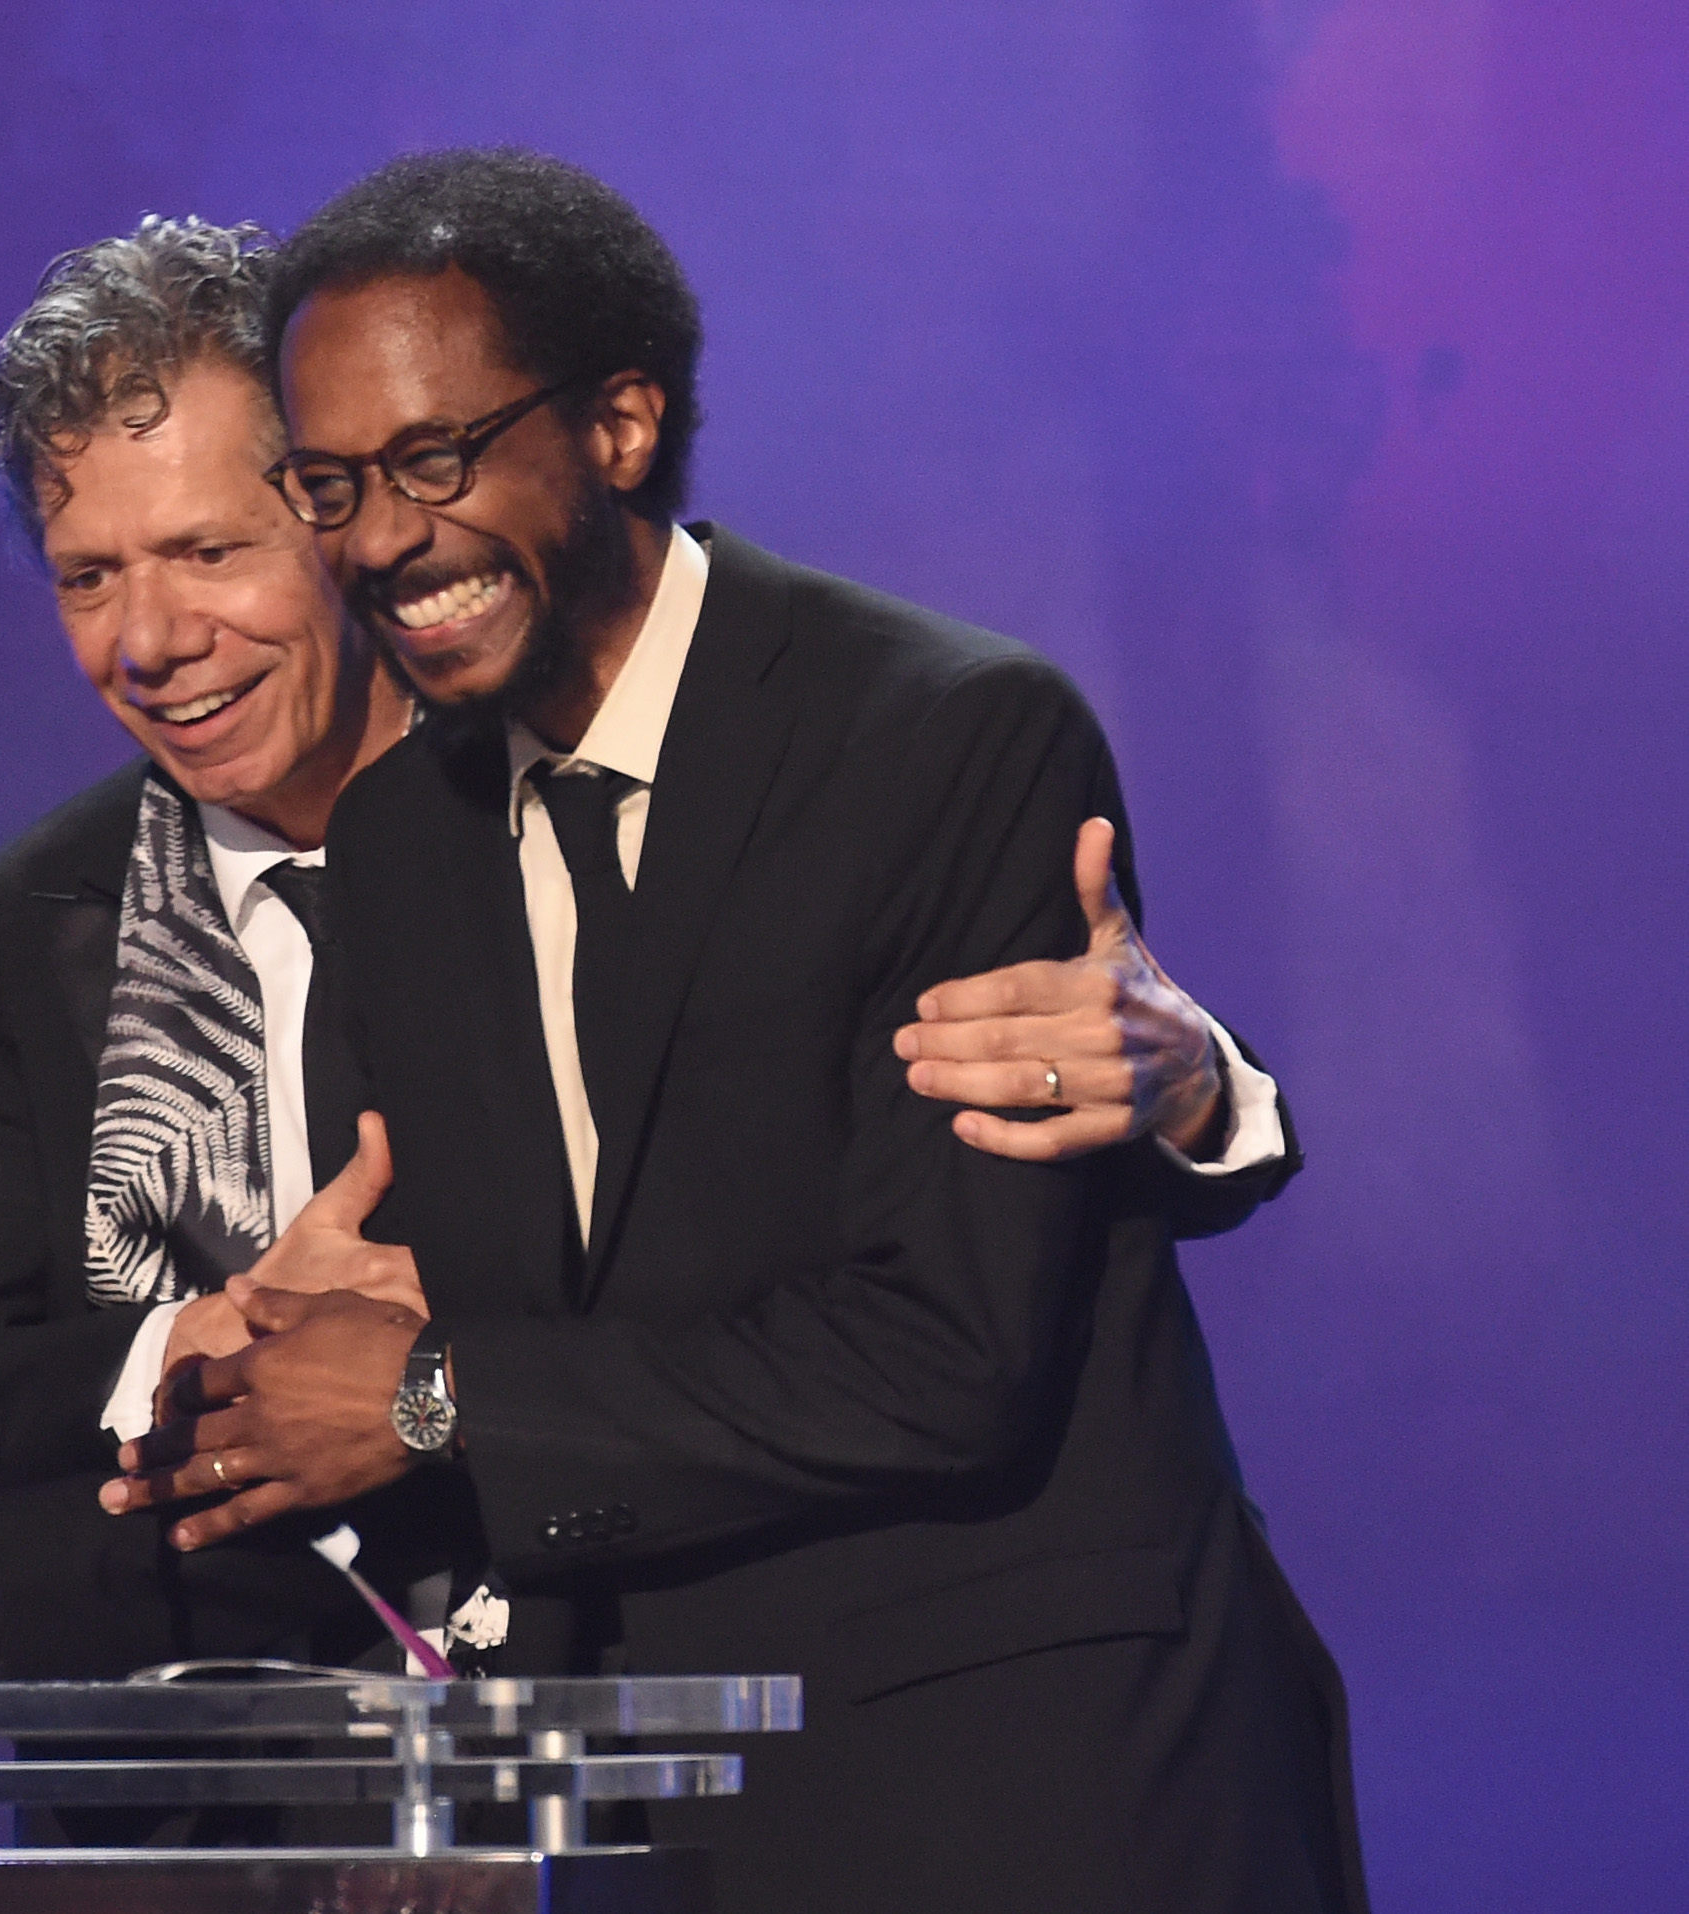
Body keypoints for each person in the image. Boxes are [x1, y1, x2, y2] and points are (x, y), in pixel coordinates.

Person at [0, 216, 1295, 1695]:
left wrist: (1196, 1082)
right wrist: (206, 1347)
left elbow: (848, 1237)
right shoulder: (19, 933)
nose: (151, 641)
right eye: (88, 576)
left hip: (737, 1698)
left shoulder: (594, 794)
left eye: (212, 551)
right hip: (226, 1768)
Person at [102, 154, 1363, 1911]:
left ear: (620, 423)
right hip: (659, 1815)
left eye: (431, 461)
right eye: (326, 485)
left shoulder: (939, 738)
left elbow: (940, 1356)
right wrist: (314, 1337)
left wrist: (434, 1387)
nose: (380, 538)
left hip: (1036, 1796)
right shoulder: (400, 842)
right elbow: (542, 1334)